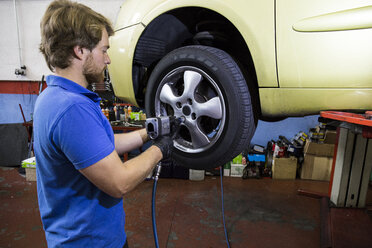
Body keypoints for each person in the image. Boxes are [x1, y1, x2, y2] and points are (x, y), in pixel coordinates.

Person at [34, 1, 173, 247]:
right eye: (103, 49)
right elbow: (119, 182)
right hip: (89, 242)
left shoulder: (54, 96)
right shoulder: (71, 109)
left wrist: (148, 133)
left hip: (85, 237)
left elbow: (101, 146)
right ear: (80, 51)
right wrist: (160, 150)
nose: (107, 59)